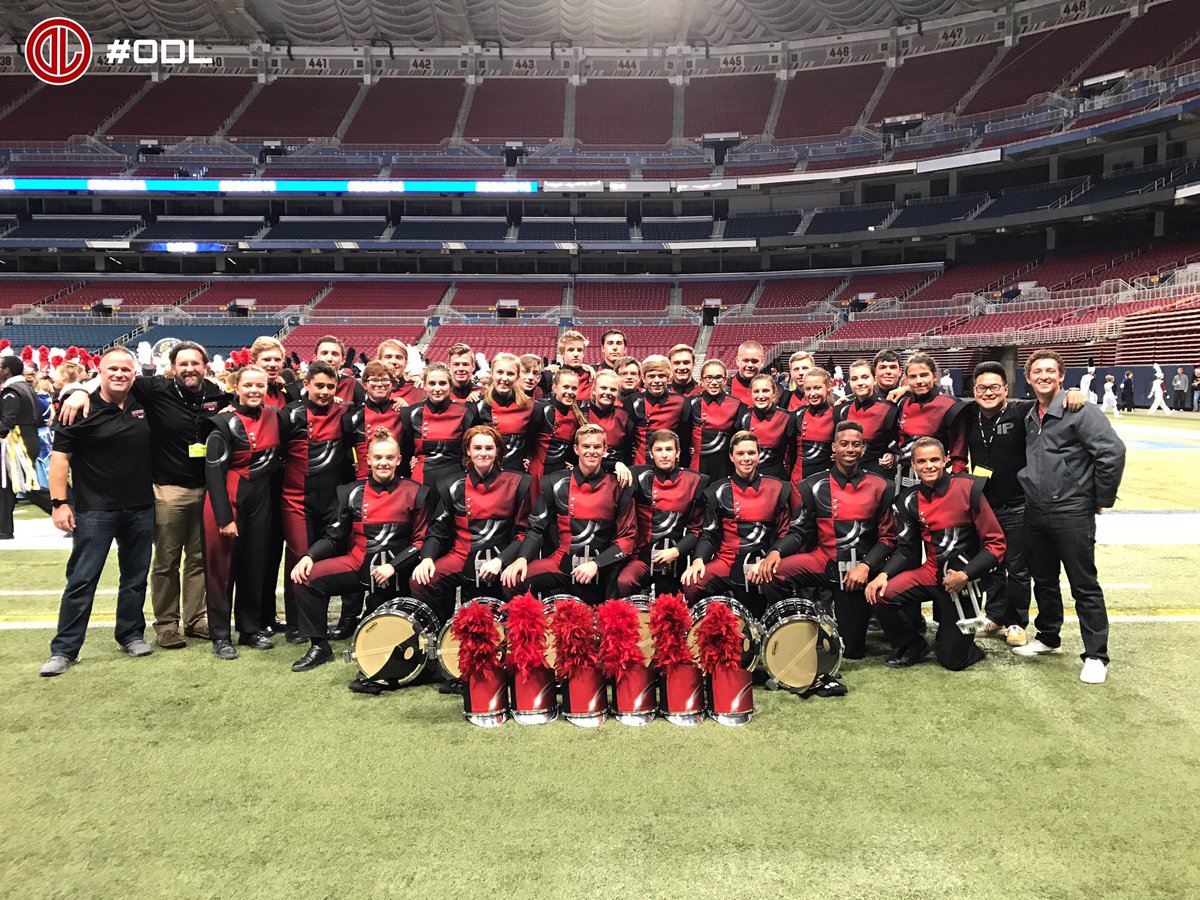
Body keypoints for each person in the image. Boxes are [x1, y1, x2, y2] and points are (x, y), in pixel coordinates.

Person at [58, 340, 227, 648]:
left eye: (196, 363)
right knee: (165, 561)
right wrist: (79, 390)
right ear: (172, 368)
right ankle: (166, 624)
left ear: (206, 366)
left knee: (200, 560)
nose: (190, 368)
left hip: (205, 490)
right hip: (166, 490)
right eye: (183, 364)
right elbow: (116, 377)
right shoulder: (154, 389)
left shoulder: (216, 394)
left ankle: (195, 619)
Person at [40, 347, 155, 676]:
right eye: (112, 369)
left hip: (140, 507)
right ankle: (64, 649)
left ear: (134, 373)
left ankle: (131, 634)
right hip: (95, 509)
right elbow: (60, 458)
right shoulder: (80, 407)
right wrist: (59, 503)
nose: (119, 374)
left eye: (126, 370)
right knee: (81, 579)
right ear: (99, 372)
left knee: (135, 579)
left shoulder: (142, 403)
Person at [1014, 349, 1126, 684]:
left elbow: (1112, 452)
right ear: (1029, 377)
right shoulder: (1030, 414)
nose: (1044, 376)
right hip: (1035, 510)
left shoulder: (1081, 410)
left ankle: (1096, 655)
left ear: (1062, 376)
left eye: (1051, 370)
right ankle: (1048, 636)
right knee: (1044, 579)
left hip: (1071, 510)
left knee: (1083, 583)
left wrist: (1099, 497)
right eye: (1038, 371)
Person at [290, 427, 431, 677]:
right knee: (307, 578)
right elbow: (333, 537)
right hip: (358, 563)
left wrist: (394, 566)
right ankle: (319, 645)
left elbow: (421, 541)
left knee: (387, 636)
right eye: (378, 457)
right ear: (368, 459)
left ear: (399, 460)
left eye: (389, 457)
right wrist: (308, 557)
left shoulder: (417, 492)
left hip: (397, 572)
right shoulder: (350, 492)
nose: (383, 462)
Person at [864, 436, 1005, 671]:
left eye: (934, 460)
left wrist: (965, 575)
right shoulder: (908, 499)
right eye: (921, 461)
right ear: (914, 465)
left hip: (963, 583)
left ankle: (962, 644)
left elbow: (996, 544)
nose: (928, 466)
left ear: (945, 460)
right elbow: (906, 550)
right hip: (930, 573)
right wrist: (883, 575)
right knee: (879, 594)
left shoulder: (970, 488)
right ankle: (912, 645)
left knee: (952, 662)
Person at [764, 420, 897, 660]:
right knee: (772, 573)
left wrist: (866, 567)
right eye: (844, 444)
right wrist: (776, 552)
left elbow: (887, 538)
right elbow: (800, 532)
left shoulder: (881, 485)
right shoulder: (812, 485)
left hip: (856, 570)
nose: (850, 449)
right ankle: (794, 625)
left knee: (851, 651)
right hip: (823, 559)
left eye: (856, 445)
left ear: (863, 448)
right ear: (833, 447)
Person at [502, 424, 637, 604]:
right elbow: (536, 529)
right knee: (512, 580)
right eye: (586, 446)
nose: (591, 451)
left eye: (597, 447)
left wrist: (596, 564)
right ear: (576, 449)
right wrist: (522, 559)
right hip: (561, 564)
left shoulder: (620, 487)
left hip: (602, 570)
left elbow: (626, 541)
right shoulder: (554, 482)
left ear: (605, 450)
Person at [412, 425, 532, 626]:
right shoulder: (450, 485)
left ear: (498, 451)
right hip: (461, 555)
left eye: (488, 448)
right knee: (421, 580)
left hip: (500, 557)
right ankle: (438, 633)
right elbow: (438, 529)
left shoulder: (519, 482)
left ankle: (515, 639)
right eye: (477, 448)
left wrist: (501, 560)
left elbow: (524, 532)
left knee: (517, 580)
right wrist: (427, 558)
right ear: (468, 450)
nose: (483, 453)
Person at [202, 366, 282, 659]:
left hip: (260, 502)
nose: (254, 391)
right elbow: (213, 473)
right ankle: (220, 636)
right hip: (227, 502)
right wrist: (224, 518)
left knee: (254, 567)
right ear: (236, 386)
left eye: (259, 386)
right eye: (248, 385)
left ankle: (249, 629)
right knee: (221, 573)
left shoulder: (274, 415)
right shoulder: (221, 423)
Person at [279, 360, 353, 644]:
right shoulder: (290, 414)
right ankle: (296, 624)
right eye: (318, 385)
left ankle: (320, 621)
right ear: (306, 384)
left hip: (331, 500)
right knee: (299, 557)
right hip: (296, 499)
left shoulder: (344, 412)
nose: (324, 391)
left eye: (329, 386)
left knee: (327, 558)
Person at [682, 431, 793, 618]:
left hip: (763, 561)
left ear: (759, 455)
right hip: (727, 560)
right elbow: (709, 534)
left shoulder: (778, 487)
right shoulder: (716, 491)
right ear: (731, 456)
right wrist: (699, 559)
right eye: (740, 454)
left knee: (776, 581)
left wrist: (771, 558)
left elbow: (785, 532)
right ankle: (713, 629)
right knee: (692, 582)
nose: (746, 458)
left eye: (751, 453)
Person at [617, 429, 708, 596]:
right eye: (659, 450)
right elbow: (600, 467)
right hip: (642, 558)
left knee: (670, 607)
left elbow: (697, 530)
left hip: (675, 559)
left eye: (669, 449)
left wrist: (677, 551)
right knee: (624, 581)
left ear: (678, 452)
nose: (664, 455)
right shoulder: (638, 475)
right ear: (651, 453)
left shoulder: (695, 481)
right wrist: (618, 464)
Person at [399, 362, 478, 491]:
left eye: (442, 383)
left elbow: (469, 452)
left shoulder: (465, 413)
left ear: (450, 385)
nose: (437, 388)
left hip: (455, 483)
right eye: (431, 383)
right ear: (424, 385)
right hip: (420, 484)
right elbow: (405, 453)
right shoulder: (410, 413)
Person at [893, 352, 967, 485]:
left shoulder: (951, 405)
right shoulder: (902, 403)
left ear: (935, 376)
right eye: (913, 377)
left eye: (924, 375)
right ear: (906, 380)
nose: (919, 381)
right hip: (902, 478)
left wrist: (959, 484)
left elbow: (959, 454)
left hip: (935, 480)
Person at [1, 355, 53, 538]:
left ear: (6, 370)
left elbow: (7, 421)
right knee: (7, 484)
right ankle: (4, 529)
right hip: (28, 439)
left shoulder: (11, 391)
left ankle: (68, 510)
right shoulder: (25, 388)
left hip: (18, 443)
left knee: (27, 485)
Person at [684, 359, 746, 481]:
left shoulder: (738, 405)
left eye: (718, 377)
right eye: (709, 377)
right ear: (701, 380)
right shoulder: (690, 403)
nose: (714, 382)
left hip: (726, 468)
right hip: (697, 469)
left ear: (725, 379)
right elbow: (683, 435)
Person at [475, 352, 538, 472]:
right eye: (500, 372)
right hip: (485, 475)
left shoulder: (531, 407)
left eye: (510, 374)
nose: (504, 378)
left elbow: (533, 442)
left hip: (517, 476)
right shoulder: (477, 406)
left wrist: (528, 458)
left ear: (517, 376)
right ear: (491, 373)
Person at [835, 359, 898, 475]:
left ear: (874, 380)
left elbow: (895, 442)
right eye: (854, 379)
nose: (860, 383)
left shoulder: (890, 409)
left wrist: (892, 455)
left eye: (865, 377)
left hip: (876, 476)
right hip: (845, 475)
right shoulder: (841, 409)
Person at [528, 367, 586, 490]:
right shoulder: (540, 408)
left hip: (560, 475)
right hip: (537, 473)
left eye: (574, 388)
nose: (570, 392)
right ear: (554, 388)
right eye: (565, 387)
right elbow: (528, 437)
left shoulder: (576, 416)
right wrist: (526, 458)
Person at [628, 355, 691, 465]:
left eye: (661, 376)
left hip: (671, 465)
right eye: (651, 376)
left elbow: (685, 440)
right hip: (640, 466)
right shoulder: (631, 401)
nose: (656, 380)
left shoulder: (682, 402)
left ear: (669, 378)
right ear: (643, 378)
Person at [736, 373, 795, 479]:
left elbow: (794, 454)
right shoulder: (744, 416)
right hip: (748, 479)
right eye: (756, 391)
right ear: (750, 393)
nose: (761, 396)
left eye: (766, 391)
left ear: (774, 393)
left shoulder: (787, 418)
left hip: (776, 479)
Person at [582, 369, 635, 479]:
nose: (608, 392)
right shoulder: (581, 415)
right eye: (603, 388)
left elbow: (628, 452)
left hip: (616, 476)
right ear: (594, 390)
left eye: (613, 389)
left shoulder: (624, 417)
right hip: (585, 474)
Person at [790, 367, 839, 487]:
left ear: (828, 387)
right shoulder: (796, 415)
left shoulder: (837, 415)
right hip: (799, 481)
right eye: (808, 389)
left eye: (817, 388)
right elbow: (790, 451)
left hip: (827, 482)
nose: (812, 393)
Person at [287, 335, 365, 407]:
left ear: (343, 360)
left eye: (335, 354)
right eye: (324, 353)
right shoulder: (296, 388)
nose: (329, 359)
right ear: (315, 357)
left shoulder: (353, 385)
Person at [377, 339, 423, 406]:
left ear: (406, 363)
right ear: (379, 361)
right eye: (388, 357)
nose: (393, 361)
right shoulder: (369, 389)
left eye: (399, 357)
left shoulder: (418, 388)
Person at [555, 330, 594, 401]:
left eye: (579, 350)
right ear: (562, 353)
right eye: (571, 350)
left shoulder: (592, 376)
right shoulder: (552, 376)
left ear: (584, 353)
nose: (576, 354)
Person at [729, 340, 766, 405]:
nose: (750, 365)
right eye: (745, 360)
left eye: (754, 361)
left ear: (762, 362)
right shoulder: (725, 388)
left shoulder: (775, 390)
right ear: (737, 361)